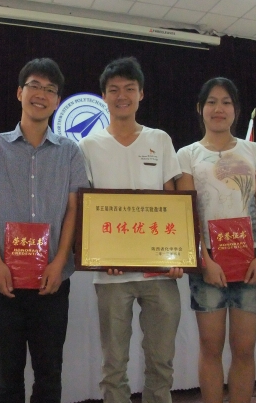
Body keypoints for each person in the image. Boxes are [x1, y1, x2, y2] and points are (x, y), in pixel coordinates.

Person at [0, 57, 89, 403]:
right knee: (7, 379)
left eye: (50, 89)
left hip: (52, 282)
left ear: (57, 100)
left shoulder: (70, 152)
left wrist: (60, 262)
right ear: (19, 92)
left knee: (49, 376)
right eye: (34, 86)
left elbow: (73, 210)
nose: (42, 94)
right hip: (3, 282)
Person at [78, 56, 183, 403]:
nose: (121, 96)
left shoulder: (160, 139)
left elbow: (173, 200)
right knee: (113, 367)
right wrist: (100, 255)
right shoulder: (88, 145)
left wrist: (178, 255)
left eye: (129, 88)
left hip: (160, 272)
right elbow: (86, 210)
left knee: (161, 363)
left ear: (141, 94)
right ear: (104, 97)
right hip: (111, 275)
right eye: (114, 90)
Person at [175, 77, 256, 403]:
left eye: (226, 102)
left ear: (236, 110)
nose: (219, 109)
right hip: (209, 262)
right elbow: (187, 213)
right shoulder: (186, 155)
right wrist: (204, 261)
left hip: (251, 260)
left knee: (244, 350)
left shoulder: (254, 151)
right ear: (200, 108)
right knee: (210, 348)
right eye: (212, 102)